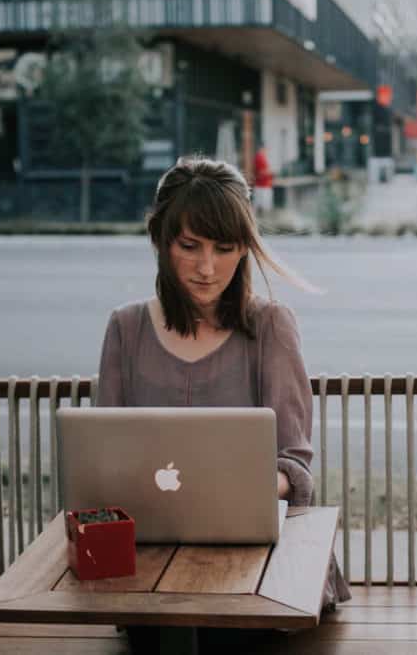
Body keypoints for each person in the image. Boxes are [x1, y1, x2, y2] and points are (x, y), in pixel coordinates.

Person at [97, 156, 349, 652]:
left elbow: (295, 467)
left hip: (259, 561)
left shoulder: (270, 326)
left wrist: (234, 488)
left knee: (221, 632)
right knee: (165, 625)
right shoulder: (126, 329)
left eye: (225, 248)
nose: (207, 268)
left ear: (244, 250)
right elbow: (103, 457)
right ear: (160, 241)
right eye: (189, 246)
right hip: (152, 560)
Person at [252, 144, 275, 215]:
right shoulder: (259, 157)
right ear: (262, 149)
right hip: (262, 185)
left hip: (264, 185)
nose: (266, 151)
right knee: (262, 205)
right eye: (265, 149)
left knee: (261, 204)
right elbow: (261, 172)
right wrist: (270, 172)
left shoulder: (262, 157)